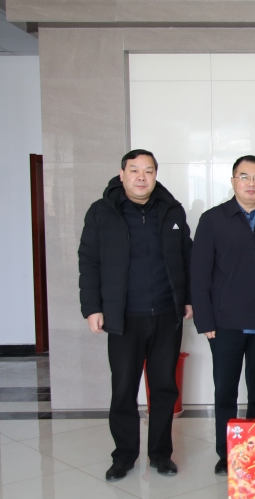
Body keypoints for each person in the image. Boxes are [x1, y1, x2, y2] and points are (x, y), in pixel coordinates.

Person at [79, 149, 193, 482]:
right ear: (122, 174)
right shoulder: (102, 212)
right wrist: (92, 307)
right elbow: (89, 261)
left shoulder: (171, 210)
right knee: (123, 388)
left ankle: (160, 453)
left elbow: (186, 257)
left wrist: (188, 300)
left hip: (166, 315)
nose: (141, 177)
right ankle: (124, 455)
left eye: (148, 171)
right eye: (134, 170)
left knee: (164, 387)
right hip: (123, 317)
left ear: (155, 175)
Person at [190, 155, 255, 475]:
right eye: (244, 177)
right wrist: (205, 319)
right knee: (225, 391)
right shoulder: (213, 219)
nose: (251, 183)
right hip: (225, 324)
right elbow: (199, 274)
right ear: (233, 181)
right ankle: (227, 453)